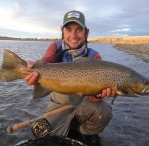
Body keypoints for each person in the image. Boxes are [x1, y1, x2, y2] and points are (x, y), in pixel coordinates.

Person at [24, 10, 117, 145]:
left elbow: (94, 98)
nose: (73, 35)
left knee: (104, 112)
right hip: (58, 104)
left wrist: (98, 95)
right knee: (49, 138)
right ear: (63, 31)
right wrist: (35, 77)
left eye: (79, 30)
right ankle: (67, 126)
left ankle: (81, 132)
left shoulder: (94, 56)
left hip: (84, 104)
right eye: (69, 30)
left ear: (86, 32)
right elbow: (45, 62)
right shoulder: (55, 47)